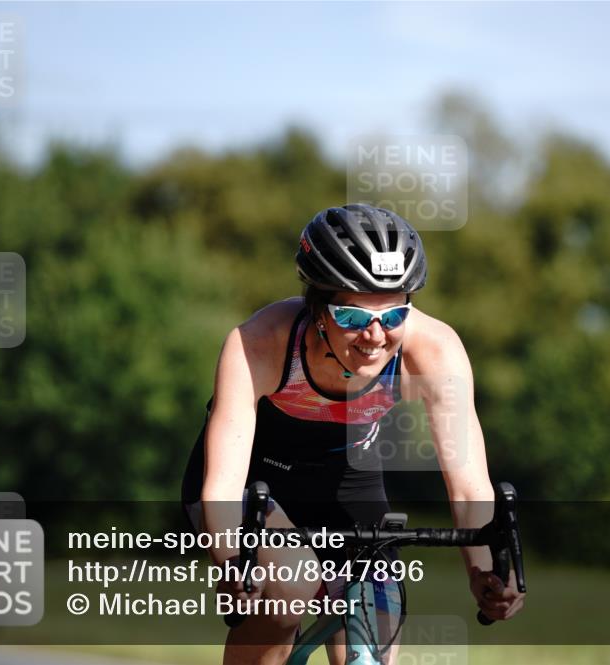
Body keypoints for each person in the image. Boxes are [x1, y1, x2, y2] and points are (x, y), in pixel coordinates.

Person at [182, 204, 525, 665]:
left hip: (349, 488)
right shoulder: (259, 343)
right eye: (352, 318)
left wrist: (486, 570)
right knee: (290, 586)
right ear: (317, 307)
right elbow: (222, 485)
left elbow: (467, 483)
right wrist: (230, 560)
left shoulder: (435, 350)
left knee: (370, 649)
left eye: (394, 316)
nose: (376, 336)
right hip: (252, 487)